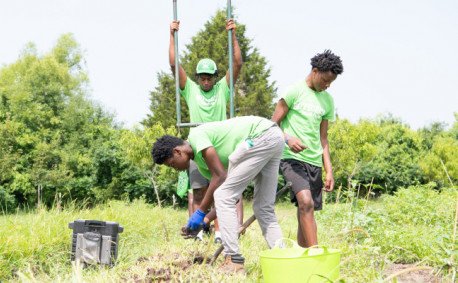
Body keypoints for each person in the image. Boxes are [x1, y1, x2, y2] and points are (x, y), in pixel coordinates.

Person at [152, 116, 285, 274]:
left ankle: (233, 260)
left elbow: (221, 177)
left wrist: (200, 212)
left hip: (261, 135)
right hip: (273, 137)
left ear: (177, 151)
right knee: (262, 207)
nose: (175, 169)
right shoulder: (202, 166)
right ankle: (283, 258)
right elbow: (231, 198)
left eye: (172, 164)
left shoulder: (196, 136)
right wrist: (206, 220)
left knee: (224, 195)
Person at [169, 19, 244, 242]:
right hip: (196, 146)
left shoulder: (222, 89)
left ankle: (221, 232)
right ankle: (197, 232)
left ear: (214, 77)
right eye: (202, 77)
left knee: (222, 190)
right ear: (198, 77)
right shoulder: (190, 90)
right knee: (199, 191)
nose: (205, 81)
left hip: (219, 146)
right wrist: (172, 35)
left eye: (209, 77)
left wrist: (232, 35)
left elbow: (237, 64)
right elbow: (174, 66)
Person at [271, 50, 343, 248]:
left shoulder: (327, 100)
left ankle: (303, 256)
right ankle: (316, 253)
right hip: (291, 158)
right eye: (326, 80)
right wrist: (287, 139)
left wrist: (329, 170)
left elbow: (323, 138)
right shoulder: (294, 91)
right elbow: (272, 124)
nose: (327, 85)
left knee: (307, 210)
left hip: (314, 162)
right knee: (305, 202)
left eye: (331, 83)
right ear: (315, 71)